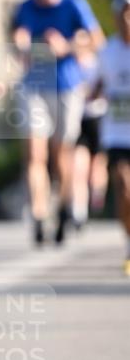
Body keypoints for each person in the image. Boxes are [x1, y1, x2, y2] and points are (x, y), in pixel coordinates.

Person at [12, 0, 104, 246]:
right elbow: (18, 36)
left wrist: (66, 45)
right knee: (34, 154)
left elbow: (96, 38)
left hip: (67, 86)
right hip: (34, 87)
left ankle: (64, 208)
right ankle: (39, 215)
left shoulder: (73, 3)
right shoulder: (24, 7)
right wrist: (21, 44)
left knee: (62, 155)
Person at [96, 0, 130, 275]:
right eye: (124, 14)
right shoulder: (106, 52)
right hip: (117, 133)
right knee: (123, 186)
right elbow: (94, 86)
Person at [71, 36, 108, 230]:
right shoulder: (69, 65)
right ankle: (79, 209)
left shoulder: (98, 62)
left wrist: (91, 93)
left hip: (98, 118)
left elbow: (106, 87)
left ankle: (97, 193)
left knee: (96, 167)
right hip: (77, 119)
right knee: (78, 166)